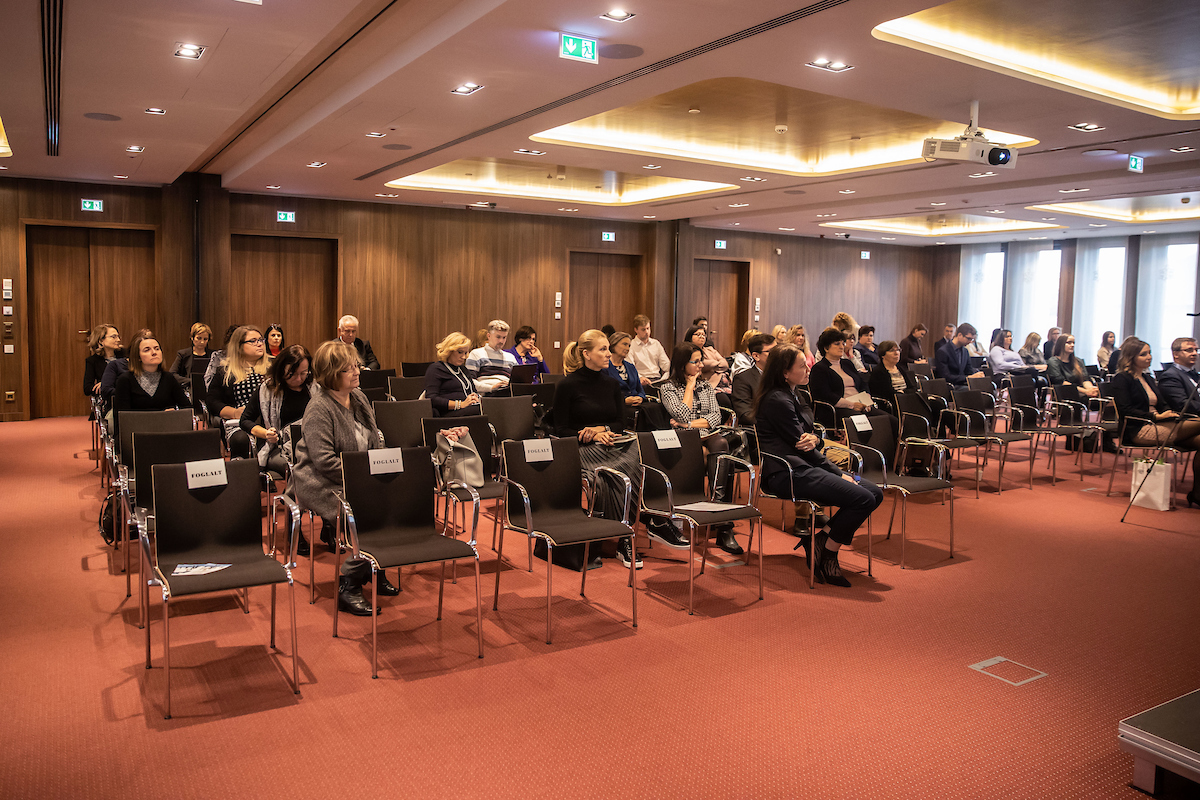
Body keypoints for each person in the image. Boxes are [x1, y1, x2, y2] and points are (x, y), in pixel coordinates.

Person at [753, 344, 883, 587]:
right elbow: (802, 444)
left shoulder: (796, 394)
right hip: (787, 472)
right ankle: (829, 551)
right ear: (784, 372)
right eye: (802, 366)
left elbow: (810, 436)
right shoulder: (777, 400)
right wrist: (836, 472)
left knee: (874, 493)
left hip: (807, 466)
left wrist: (817, 439)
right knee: (863, 498)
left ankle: (820, 541)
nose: (808, 368)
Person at [292, 340, 397, 615]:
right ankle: (349, 584)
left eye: (356, 366)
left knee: (399, 499)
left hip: (359, 475)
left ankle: (372, 567)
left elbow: (376, 440)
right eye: (348, 368)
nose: (356, 371)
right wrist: (366, 476)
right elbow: (324, 462)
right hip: (322, 481)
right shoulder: (319, 408)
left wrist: (382, 468)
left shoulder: (358, 397)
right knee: (370, 511)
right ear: (330, 373)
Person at [552, 329, 642, 568]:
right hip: (582, 448)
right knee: (604, 478)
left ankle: (625, 536)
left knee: (635, 467)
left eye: (607, 349)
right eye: (602, 349)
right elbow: (561, 430)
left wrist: (601, 428)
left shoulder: (612, 384)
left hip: (612, 443)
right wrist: (589, 435)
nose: (608, 354)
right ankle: (616, 534)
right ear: (586, 354)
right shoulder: (566, 385)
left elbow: (621, 424)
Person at [658, 343, 744, 554]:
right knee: (719, 458)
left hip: (704, 435)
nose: (700, 365)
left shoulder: (705, 386)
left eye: (700, 360)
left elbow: (715, 417)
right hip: (683, 440)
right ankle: (722, 523)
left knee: (722, 445)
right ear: (681, 363)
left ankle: (719, 513)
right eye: (695, 361)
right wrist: (689, 387)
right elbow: (681, 414)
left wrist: (689, 424)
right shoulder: (668, 387)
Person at [1110, 338, 1200, 508]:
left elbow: (1162, 403)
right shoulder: (1122, 379)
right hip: (1139, 429)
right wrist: (1156, 417)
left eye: (1150, 352)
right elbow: (1125, 410)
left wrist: (1168, 413)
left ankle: (1197, 494)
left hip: (1162, 424)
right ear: (1131, 357)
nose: (1149, 357)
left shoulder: (1147, 377)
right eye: (1144, 354)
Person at [240, 343, 313, 479]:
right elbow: (245, 421)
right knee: (301, 468)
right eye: (292, 374)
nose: (298, 379)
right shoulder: (267, 390)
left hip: (311, 445)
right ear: (281, 370)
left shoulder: (314, 388)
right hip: (278, 447)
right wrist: (266, 433)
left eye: (303, 373)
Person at [111, 331, 190, 443]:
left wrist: (175, 412)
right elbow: (122, 419)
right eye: (147, 350)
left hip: (166, 434)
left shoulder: (169, 378)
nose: (154, 353)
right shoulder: (125, 380)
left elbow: (187, 408)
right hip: (137, 436)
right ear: (137, 357)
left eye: (157, 349)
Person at [207, 326, 270, 458]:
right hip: (240, 423)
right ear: (239, 346)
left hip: (270, 421)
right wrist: (234, 412)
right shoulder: (225, 372)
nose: (259, 344)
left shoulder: (272, 369)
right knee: (241, 440)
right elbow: (212, 402)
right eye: (253, 341)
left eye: (261, 340)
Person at [604, 331, 670, 431]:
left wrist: (640, 397)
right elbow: (605, 394)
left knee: (659, 408)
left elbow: (640, 389)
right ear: (613, 344)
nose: (627, 348)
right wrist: (624, 401)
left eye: (629, 345)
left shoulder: (630, 367)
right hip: (619, 406)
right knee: (644, 413)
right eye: (624, 344)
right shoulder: (604, 368)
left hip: (637, 403)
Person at [424, 332, 482, 417]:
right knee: (482, 410)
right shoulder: (436, 369)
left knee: (490, 407)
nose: (464, 357)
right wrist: (460, 404)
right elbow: (431, 398)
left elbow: (473, 391)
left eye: (466, 353)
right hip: (448, 413)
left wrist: (475, 397)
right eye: (460, 352)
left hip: (468, 409)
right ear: (449, 351)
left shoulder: (463, 369)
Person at [730, 333, 775, 425]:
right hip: (762, 430)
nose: (778, 355)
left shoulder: (785, 375)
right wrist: (774, 425)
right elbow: (745, 414)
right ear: (756, 356)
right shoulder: (743, 379)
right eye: (772, 351)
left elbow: (803, 407)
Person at [466, 319, 517, 395]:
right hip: (486, 394)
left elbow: (518, 382)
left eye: (504, 337)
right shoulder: (476, 354)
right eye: (498, 337)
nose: (501, 341)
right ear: (489, 336)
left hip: (507, 393)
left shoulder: (510, 358)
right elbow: (469, 381)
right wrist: (491, 388)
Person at [1156, 337, 1200, 416]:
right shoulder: (1169, 376)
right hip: (1186, 418)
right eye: (1189, 350)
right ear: (1176, 354)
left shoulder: (1196, 375)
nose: (1195, 353)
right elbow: (1182, 404)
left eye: (1196, 350)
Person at [683, 324, 730, 397]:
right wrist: (716, 363)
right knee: (724, 399)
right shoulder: (688, 352)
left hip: (724, 383)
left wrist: (712, 365)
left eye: (703, 335)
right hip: (710, 385)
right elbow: (704, 365)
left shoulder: (710, 349)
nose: (701, 337)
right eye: (698, 334)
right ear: (690, 336)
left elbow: (725, 364)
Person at [867, 340, 916, 410]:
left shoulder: (900, 369)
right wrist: (903, 394)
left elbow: (912, 388)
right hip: (892, 404)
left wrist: (903, 393)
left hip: (906, 399)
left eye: (898, 350)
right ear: (883, 355)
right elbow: (888, 394)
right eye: (891, 350)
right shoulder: (879, 372)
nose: (896, 353)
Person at [934, 323, 985, 388]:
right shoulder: (943, 351)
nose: (970, 342)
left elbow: (969, 371)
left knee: (987, 387)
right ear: (959, 335)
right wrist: (968, 378)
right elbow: (945, 377)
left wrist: (977, 374)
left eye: (971, 339)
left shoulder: (965, 351)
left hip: (962, 384)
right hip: (950, 386)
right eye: (968, 338)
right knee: (975, 391)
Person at [168, 323, 213, 389]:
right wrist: (191, 381)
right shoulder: (183, 354)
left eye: (205, 339)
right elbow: (172, 374)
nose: (202, 342)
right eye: (199, 338)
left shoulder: (213, 355)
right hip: (188, 388)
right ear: (192, 338)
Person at [629, 314, 670, 385]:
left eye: (648, 328)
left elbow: (666, 365)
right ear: (636, 330)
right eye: (643, 329)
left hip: (657, 379)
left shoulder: (656, 343)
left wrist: (666, 376)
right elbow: (630, 367)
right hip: (641, 380)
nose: (646, 332)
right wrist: (640, 378)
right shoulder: (631, 345)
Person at [84, 324, 121, 398]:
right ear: (101, 340)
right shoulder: (93, 360)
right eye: (113, 337)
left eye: (118, 336)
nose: (118, 340)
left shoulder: (125, 355)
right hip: (107, 399)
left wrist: (107, 383)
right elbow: (87, 388)